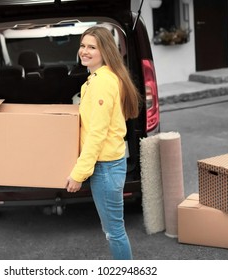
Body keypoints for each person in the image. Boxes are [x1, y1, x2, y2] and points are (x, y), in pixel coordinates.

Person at [66, 26, 140, 260]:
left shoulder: (102, 82)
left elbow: (97, 134)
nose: (84, 51)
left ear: (105, 50)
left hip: (106, 167)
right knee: (112, 230)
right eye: (82, 45)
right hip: (107, 164)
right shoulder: (98, 78)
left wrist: (79, 174)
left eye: (92, 47)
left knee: (114, 233)